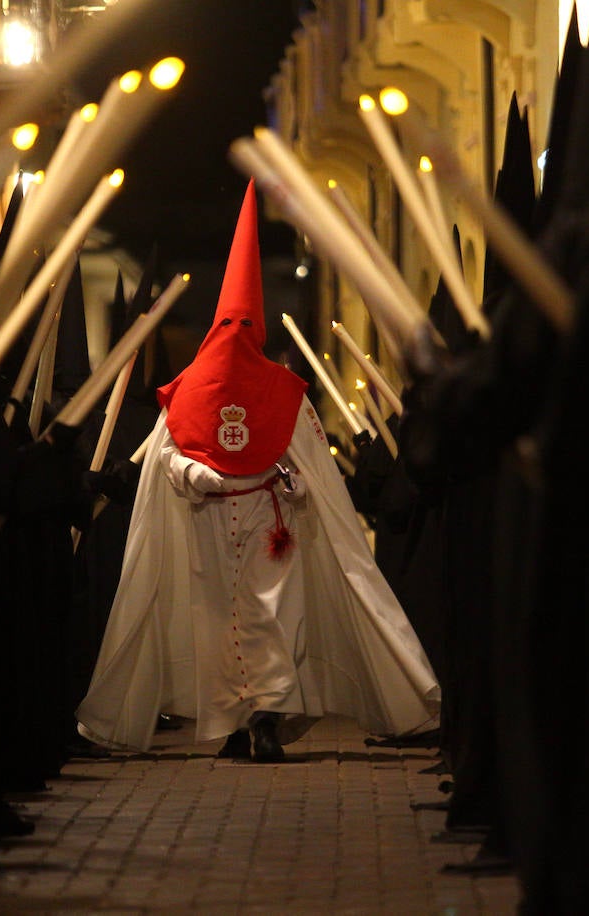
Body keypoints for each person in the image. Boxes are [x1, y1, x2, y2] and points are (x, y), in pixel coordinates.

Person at [76, 179, 440, 762]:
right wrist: (223, 480)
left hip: (248, 524)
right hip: (238, 524)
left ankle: (260, 722)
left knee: (256, 625)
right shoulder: (252, 389)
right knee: (243, 626)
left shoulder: (226, 389)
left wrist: (258, 483)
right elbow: (181, 457)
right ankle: (243, 724)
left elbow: (288, 464)